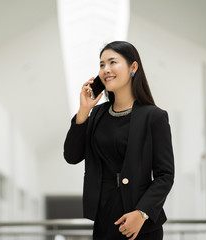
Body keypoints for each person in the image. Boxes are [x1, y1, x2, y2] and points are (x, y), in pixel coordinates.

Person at [63, 41, 174, 240]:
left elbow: (165, 175)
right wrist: (83, 111)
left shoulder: (154, 117)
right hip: (104, 218)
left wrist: (142, 213)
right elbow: (71, 156)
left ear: (133, 67)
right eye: (102, 65)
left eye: (112, 62)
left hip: (140, 224)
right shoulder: (97, 114)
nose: (106, 70)